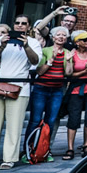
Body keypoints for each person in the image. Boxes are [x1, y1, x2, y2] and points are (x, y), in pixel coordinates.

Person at [0, 18, 39, 169]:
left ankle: (9, 158)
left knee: (14, 125)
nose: (20, 25)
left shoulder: (33, 42)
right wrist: (2, 45)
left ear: (28, 26)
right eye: (17, 22)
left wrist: (26, 46)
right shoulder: (1, 39)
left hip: (19, 86)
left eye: (24, 23)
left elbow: (35, 61)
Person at [26, 26, 70, 161]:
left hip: (57, 90)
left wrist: (68, 60)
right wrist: (50, 61)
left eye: (64, 35)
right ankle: (28, 150)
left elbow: (68, 73)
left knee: (50, 121)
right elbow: (39, 72)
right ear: (53, 37)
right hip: (41, 89)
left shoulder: (68, 52)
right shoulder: (45, 50)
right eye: (58, 35)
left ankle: (44, 151)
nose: (61, 37)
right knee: (35, 120)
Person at [63, 30, 87, 158]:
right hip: (76, 87)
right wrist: (85, 71)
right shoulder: (72, 54)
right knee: (74, 117)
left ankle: (86, 145)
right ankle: (70, 148)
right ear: (77, 42)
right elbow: (69, 74)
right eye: (84, 40)